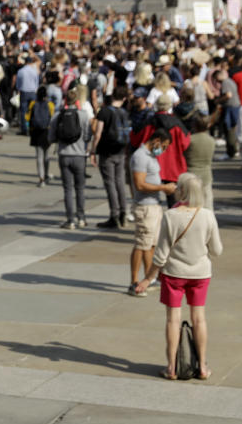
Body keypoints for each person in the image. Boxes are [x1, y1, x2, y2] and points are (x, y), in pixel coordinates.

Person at [134, 173, 222, 381]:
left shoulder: (170, 216)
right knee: (199, 318)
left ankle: (172, 366)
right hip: (200, 273)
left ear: (180, 191)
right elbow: (217, 250)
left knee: (173, 320)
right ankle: (202, 366)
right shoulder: (207, 215)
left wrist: (147, 278)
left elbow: (161, 254)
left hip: (174, 274)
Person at [130, 128, 177, 296]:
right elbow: (140, 184)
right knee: (142, 244)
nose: (163, 150)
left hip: (154, 205)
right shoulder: (140, 157)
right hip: (145, 206)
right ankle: (134, 281)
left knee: (151, 244)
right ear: (156, 140)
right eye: (163, 146)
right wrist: (163, 187)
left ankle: (149, 277)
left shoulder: (150, 157)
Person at [49, 85, 93, 229]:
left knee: (68, 189)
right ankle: (81, 217)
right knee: (80, 188)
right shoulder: (84, 115)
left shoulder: (58, 115)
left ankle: (70, 220)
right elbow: (87, 135)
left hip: (64, 155)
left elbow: (51, 137)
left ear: (65, 100)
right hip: (79, 155)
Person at [91, 85, 130, 228]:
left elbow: (98, 133)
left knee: (110, 183)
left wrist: (92, 151)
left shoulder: (105, 112)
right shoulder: (124, 113)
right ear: (124, 98)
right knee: (119, 182)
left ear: (112, 95)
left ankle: (114, 215)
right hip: (120, 151)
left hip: (106, 152)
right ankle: (124, 212)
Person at [184, 115, 216, 209]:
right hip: (206, 174)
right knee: (207, 204)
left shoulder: (190, 139)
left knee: (191, 205)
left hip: (191, 173)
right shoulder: (211, 140)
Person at [29, 82, 53, 186]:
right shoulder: (50, 105)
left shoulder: (33, 104)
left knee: (39, 156)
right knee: (47, 155)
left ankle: (41, 178)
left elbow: (28, 117)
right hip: (46, 131)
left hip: (36, 131)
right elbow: (52, 118)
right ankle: (47, 174)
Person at [16, 55, 41, 134]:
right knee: (32, 111)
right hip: (32, 92)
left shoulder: (21, 71)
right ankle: (31, 128)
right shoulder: (34, 71)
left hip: (24, 92)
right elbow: (37, 82)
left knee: (23, 111)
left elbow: (18, 83)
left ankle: (24, 129)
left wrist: (18, 89)